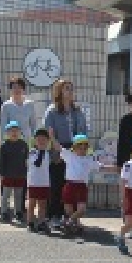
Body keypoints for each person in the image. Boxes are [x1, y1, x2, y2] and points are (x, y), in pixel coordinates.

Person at [42, 79, 88, 229]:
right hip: (58, 148)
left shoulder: (77, 110)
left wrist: (82, 148)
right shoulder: (52, 110)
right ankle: (54, 215)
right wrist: (55, 148)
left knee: (73, 184)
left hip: (74, 149)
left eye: (71, 88)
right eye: (66, 88)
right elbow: (48, 131)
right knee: (57, 184)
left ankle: (71, 217)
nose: (70, 91)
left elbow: (83, 131)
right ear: (59, 91)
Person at [59, 134, 111, 235]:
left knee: (81, 210)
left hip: (81, 187)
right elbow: (58, 147)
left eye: (84, 148)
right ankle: (75, 225)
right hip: (69, 185)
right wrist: (52, 137)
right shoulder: (69, 155)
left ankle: (68, 222)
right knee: (69, 210)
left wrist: (116, 168)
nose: (82, 150)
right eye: (79, 147)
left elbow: (101, 167)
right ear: (74, 148)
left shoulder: (89, 159)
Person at [26, 128, 61, 233]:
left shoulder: (49, 153)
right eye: (39, 139)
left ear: (47, 141)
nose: (41, 141)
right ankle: (30, 223)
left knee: (42, 204)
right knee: (32, 204)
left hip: (44, 183)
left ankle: (41, 223)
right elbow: (37, 163)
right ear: (35, 140)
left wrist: (52, 138)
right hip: (33, 183)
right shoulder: (32, 152)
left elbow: (59, 153)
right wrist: (41, 150)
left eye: (44, 139)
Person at [0, 120, 30, 222]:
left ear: (20, 132)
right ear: (7, 133)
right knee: (6, 195)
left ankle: (18, 212)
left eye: (16, 130)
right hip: (7, 175)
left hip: (20, 174)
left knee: (19, 195)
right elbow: (1, 161)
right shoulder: (4, 145)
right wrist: (1, 174)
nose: (14, 133)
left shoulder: (24, 145)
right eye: (11, 131)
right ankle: (4, 212)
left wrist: (26, 173)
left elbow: (27, 159)